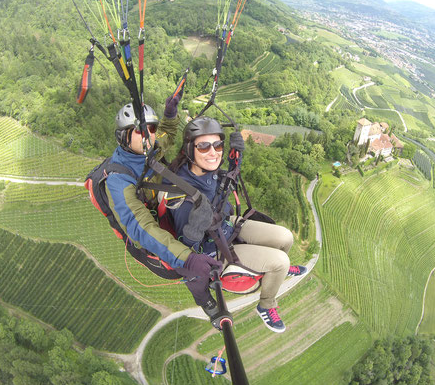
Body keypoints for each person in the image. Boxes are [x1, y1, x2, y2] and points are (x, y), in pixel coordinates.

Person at [165, 116, 307, 333]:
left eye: (217, 145)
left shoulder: (204, 170)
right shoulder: (184, 196)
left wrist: (235, 160)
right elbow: (187, 252)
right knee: (280, 261)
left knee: (285, 236)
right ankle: (266, 304)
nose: (213, 152)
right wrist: (195, 228)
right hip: (215, 249)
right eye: (203, 146)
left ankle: (278, 273)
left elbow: (225, 181)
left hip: (227, 225)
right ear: (189, 149)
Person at [104, 96, 222, 310]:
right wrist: (187, 258)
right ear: (123, 136)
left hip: (165, 208)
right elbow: (141, 227)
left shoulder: (150, 148)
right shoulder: (118, 181)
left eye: (151, 128)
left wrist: (169, 114)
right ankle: (203, 298)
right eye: (140, 130)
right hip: (156, 230)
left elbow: (167, 133)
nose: (149, 134)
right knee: (191, 264)